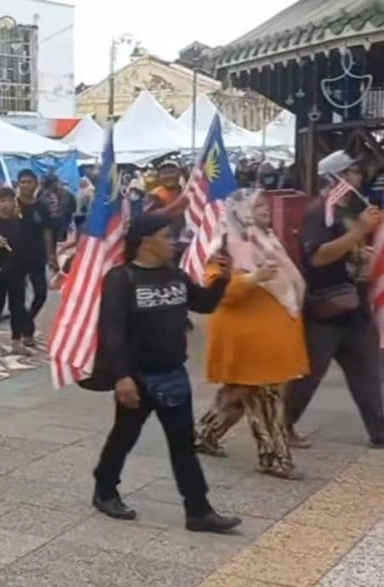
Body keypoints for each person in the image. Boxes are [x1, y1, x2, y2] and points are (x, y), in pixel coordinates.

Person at [93, 212, 241, 533]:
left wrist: (222, 281)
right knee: (124, 436)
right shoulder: (122, 278)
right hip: (138, 378)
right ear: (147, 242)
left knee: (183, 444)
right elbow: (112, 331)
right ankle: (105, 489)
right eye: (167, 236)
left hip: (172, 375)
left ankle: (198, 511)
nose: (174, 242)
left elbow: (203, 304)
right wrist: (121, 377)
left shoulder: (174, 274)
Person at [196, 190, 309, 479]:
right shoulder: (225, 245)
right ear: (241, 211)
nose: (265, 208)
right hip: (247, 338)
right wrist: (252, 278)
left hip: (270, 335)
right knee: (266, 395)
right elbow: (215, 291)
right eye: (258, 204)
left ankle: (204, 435)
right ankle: (274, 458)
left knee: (238, 393)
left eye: (265, 203)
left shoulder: (264, 238)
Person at [285, 151, 384, 448]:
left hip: (355, 307)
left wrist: (362, 251)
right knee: (309, 375)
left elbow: (348, 251)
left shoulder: (349, 211)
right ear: (336, 177)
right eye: (352, 171)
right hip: (325, 309)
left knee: (367, 371)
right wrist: (359, 233)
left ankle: (378, 430)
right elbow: (318, 256)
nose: (358, 176)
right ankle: (283, 424)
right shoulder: (319, 212)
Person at [0, 187, 30, 355]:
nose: (6, 204)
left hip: (17, 270)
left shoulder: (19, 221)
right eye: (2, 201)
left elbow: (25, 245)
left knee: (17, 306)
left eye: (9, 200)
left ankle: (17, 341)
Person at [15, 169, 55, 347]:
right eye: (22, 182)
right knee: (18, 296)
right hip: (15, 256)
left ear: (36, 184)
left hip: (37, 256)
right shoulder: (13, 206)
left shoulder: (41, 207)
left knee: (41, 293)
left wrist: (50, 254)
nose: (25, 185)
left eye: (28, 182)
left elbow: (47, 231)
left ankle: (27, 321)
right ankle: (27, 330)